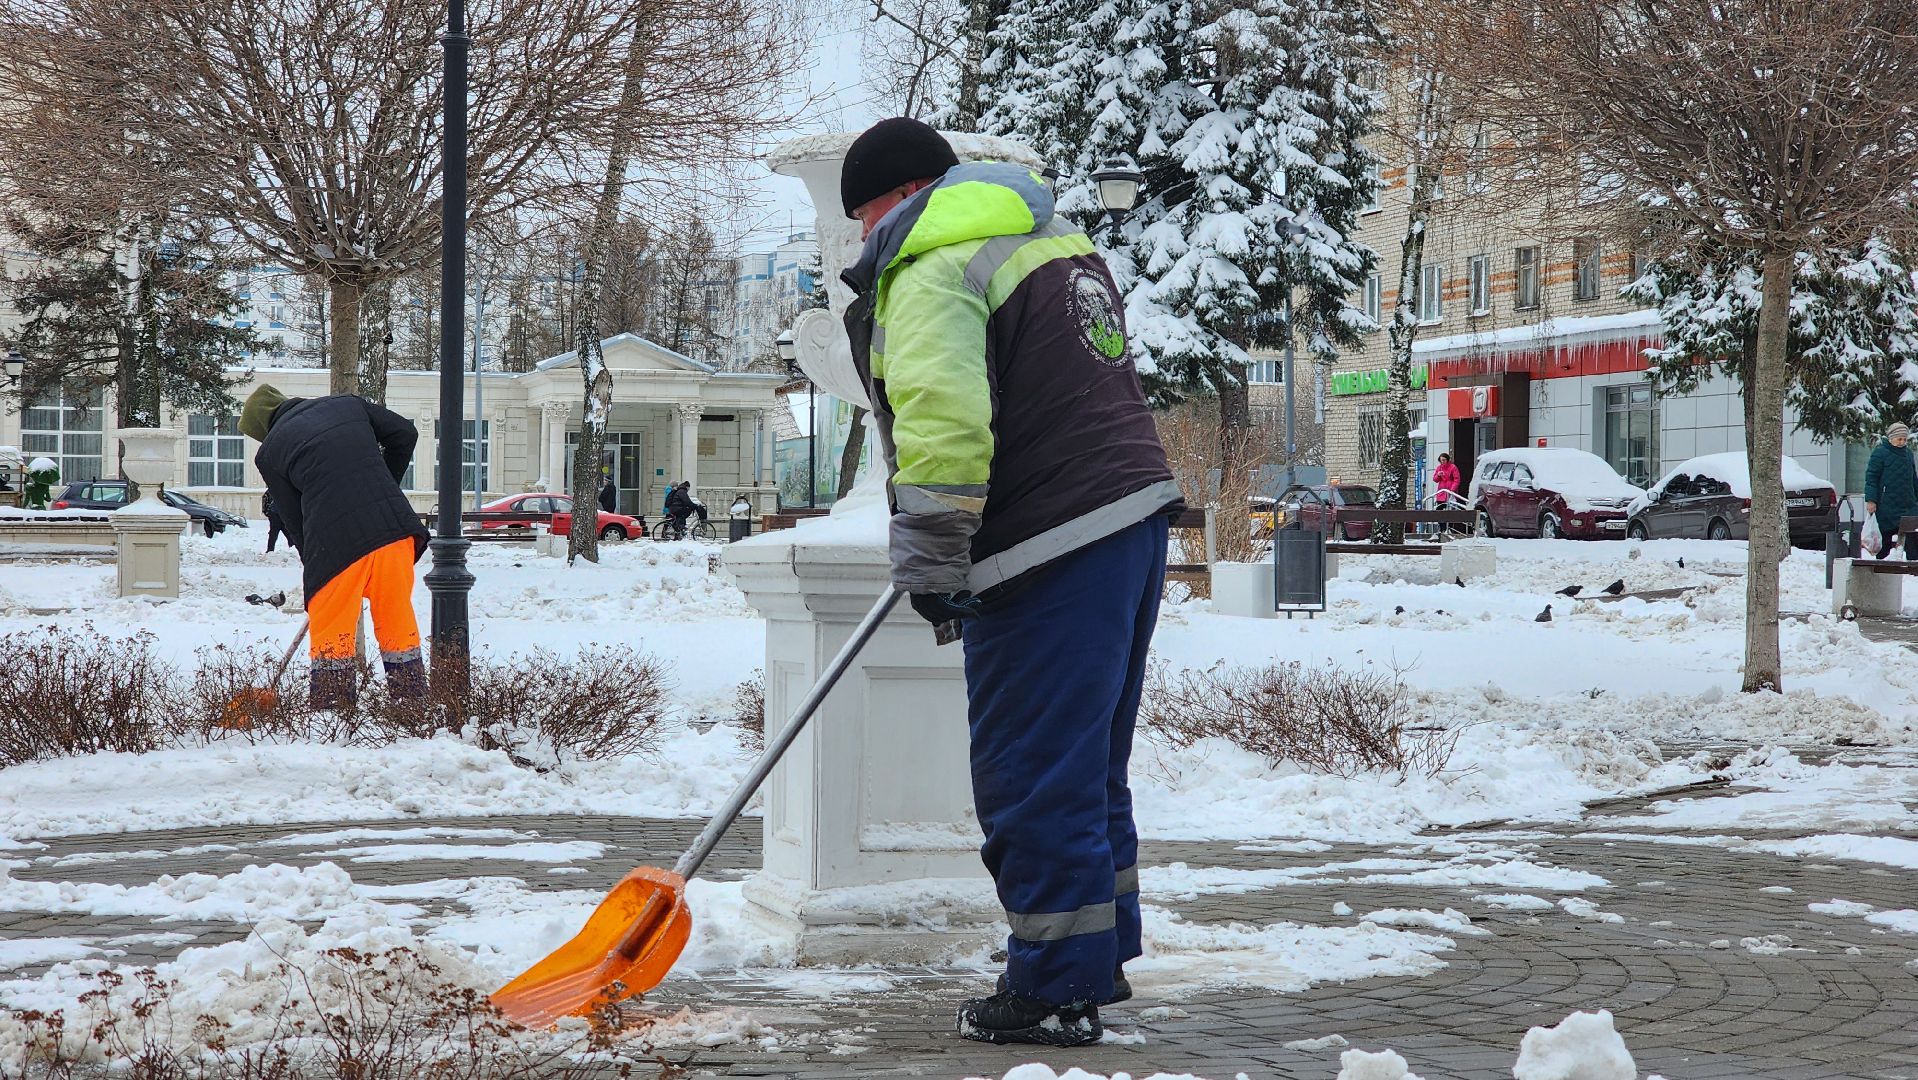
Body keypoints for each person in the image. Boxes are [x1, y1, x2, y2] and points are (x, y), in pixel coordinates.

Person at [840, 118, 1184, 1046]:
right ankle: (1091, 957)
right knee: (1083, 764)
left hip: (1047, 537)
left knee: (1031, 771)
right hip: (1127, 519)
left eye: (861, 217)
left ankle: (1054, 989)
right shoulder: (1050, 240)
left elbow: (944, 418)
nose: (862, 239)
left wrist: (934, 549)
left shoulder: (929, 264)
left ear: (891, 200)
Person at [240, 384, 430, 710]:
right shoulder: (347, 406)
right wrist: (381, 486)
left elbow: (294, 518)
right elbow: (405, 434)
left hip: (335, 548)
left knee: (333, 634)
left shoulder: (270, 453)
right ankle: (412, 708)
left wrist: (314, 563)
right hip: (394, 534)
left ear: (263, 429)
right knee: (397, 623)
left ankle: (333, 715)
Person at [1864, 421, 1918, 560]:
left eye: (1905, 439)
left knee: (1913, 536)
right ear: (1891, 438)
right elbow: (1871, 478)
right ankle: (1882, 569)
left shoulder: (1908, 454)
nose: (1902, 442)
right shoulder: (1880, 453)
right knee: (1886, 539)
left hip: (1908, 504)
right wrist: (1871, 500)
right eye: (1899, 439)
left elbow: (1913, 479)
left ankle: (1914, 567)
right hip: (1886, 504)